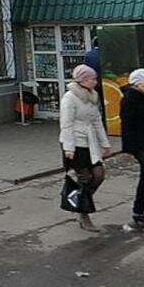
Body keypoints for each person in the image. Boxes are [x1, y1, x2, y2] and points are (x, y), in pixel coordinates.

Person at [60, 63, 112, 232]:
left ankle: (80, 199)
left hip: (91, 143)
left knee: (99, 175)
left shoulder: (92, 96)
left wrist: (105, 143)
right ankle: (84, 215)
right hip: (75, 143)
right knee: (85, 178)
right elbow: (66, 124)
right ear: (82, 80)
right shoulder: (69, 98)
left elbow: (97, 121)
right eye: (92, 79)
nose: (95, 82)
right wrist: (69, 148)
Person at [120, 68, 144, 231]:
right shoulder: (130, 99)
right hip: (139, 145)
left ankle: (138, 212)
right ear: (137, 83)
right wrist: (127, 150)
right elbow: (126, 125)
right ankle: (139, 211)